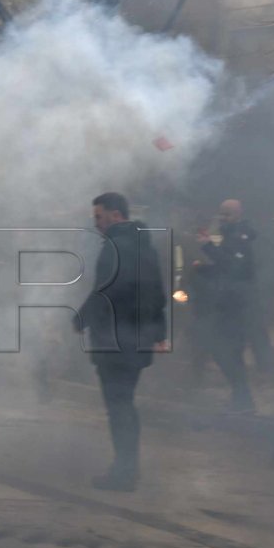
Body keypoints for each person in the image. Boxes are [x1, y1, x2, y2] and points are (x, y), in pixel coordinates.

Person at [76, 192, 166, 492]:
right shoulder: (145, 245)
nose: (97, 224)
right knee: (124, 403)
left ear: (115, 215)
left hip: (115, 340)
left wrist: (81, 318)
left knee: (119, 407)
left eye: (99, 217)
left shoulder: (116, 246)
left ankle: (125, 472)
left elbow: (106, 291)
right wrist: (159, 333)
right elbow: (157, 293)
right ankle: (128, 467)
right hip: (136, 339)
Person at [195, 199, 257, 413]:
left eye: (227, 214)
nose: (223, 218)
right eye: (221, 214)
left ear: (238, 214)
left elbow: (233, 266)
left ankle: (244, 400)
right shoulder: (229, 234)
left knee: (228, 351)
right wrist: (203, 269)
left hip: (236, 305)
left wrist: (207, 246)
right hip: (225, 302)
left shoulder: (243, 236)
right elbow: (224, 267)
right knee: (225, 351)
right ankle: (242, 399)